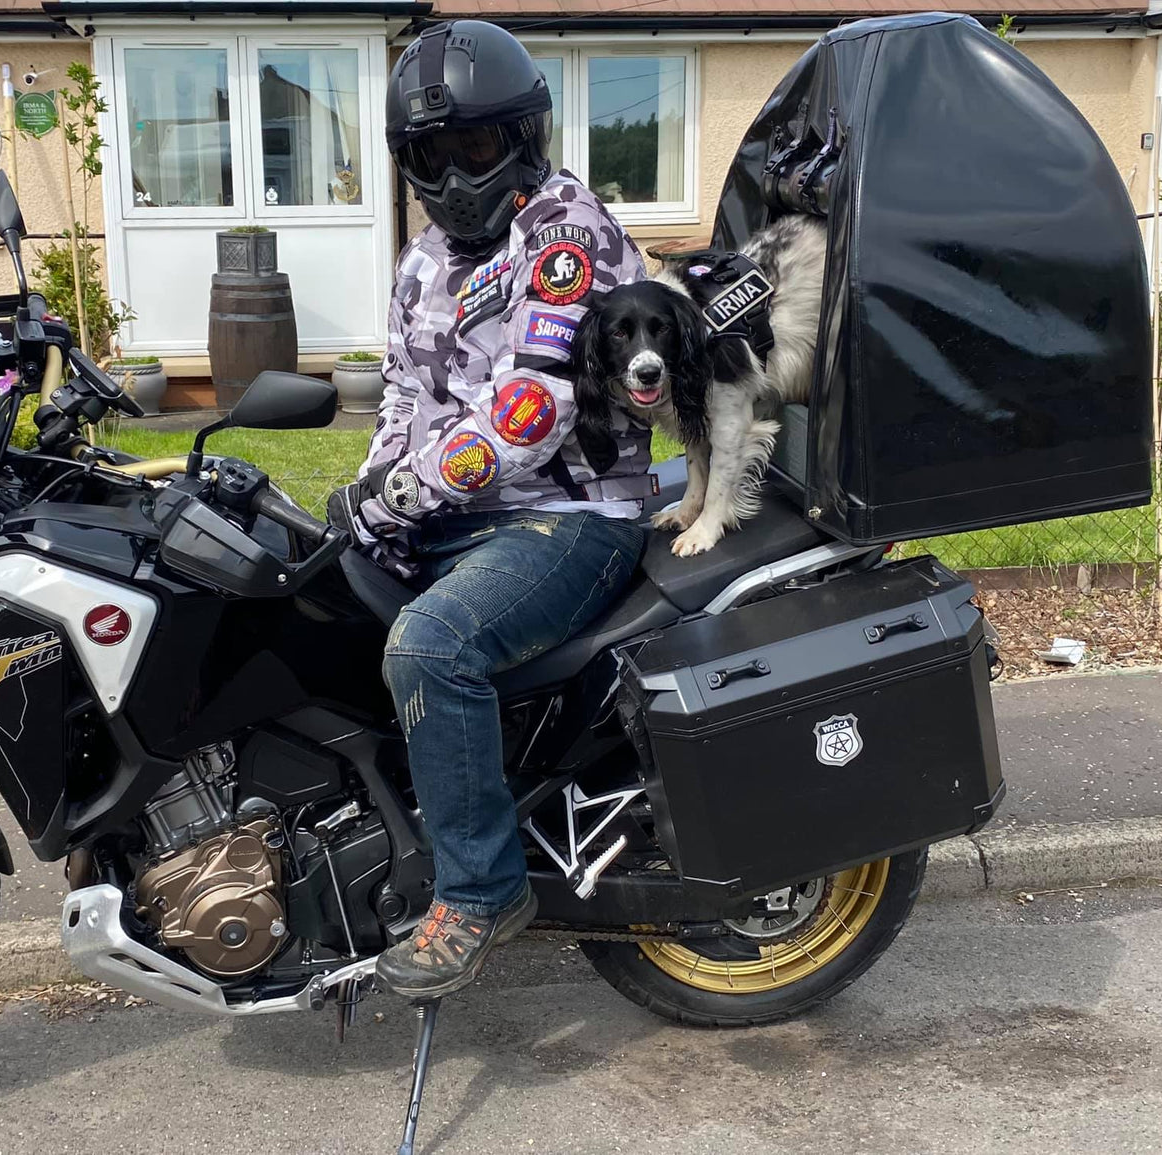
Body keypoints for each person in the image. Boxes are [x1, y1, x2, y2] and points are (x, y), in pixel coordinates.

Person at [327, 20, 654, 999]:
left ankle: (479, 892)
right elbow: (400, 393)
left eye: (472, 145)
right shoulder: (424, 257)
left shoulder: (561, 233)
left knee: (430, 645)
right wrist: (373, 493)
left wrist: (408, 493)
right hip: (462, 517)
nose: (453, 170)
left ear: (522, 134)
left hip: (572, 515)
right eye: (431, 153)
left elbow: (534, 405)